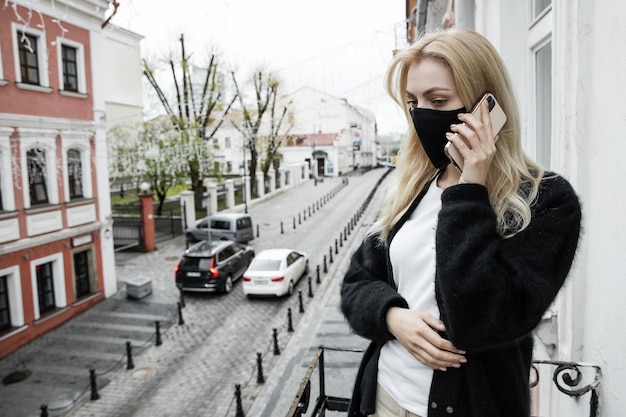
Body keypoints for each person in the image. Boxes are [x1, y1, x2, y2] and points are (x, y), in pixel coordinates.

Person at [340, 27, 581, 417]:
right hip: (385, 396)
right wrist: (392, 315)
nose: (422, 115)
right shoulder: (414, 185)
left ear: (487, 106)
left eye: (438, 100)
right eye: (413, 102)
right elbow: (356, 283)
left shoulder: (546, 201)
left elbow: (479, 321)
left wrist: (469, 188)